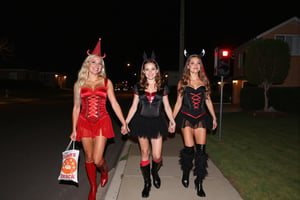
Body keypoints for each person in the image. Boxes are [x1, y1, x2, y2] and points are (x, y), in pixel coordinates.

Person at [70, 38, 128, 200]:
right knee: (88, 157)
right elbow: (76, 107)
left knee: (97, 159)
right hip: (84, 122)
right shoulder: (79, 84)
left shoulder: (106, 82)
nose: (97, 66)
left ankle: (103, 170)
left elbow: (114, 104)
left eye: (100, 63)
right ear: (87, 64)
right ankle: (93, 187)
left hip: (102, 120)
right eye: (94, 62)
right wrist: (74, 129)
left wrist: (124, 122)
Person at [124, 56, 176, 198]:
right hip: (141, 122)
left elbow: (166, 106)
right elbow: (134, 106)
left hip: (157, 122)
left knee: (157, 155)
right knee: (145, 152)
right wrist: (126, 122)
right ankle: (147, 183)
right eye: (147, 69)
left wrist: (172, 121)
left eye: (153, 69)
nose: (150, 72)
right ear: (143, 72)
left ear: (157, 70)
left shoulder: (162, 87)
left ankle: (154, 173)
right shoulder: (138, 87)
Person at [172, 50, 217, 197]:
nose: (195, 66)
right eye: (192, 63)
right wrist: (172, 120)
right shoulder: (182, 82)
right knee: (189, 150)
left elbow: (208, 100)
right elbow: (178, 103)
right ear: (188, 66)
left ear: (200, 66)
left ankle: (199, 181)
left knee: (202, 152)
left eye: (198, 63)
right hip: (186, 118)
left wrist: (214, 117)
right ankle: (186, 172)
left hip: (201, 118)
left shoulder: (205, 82)